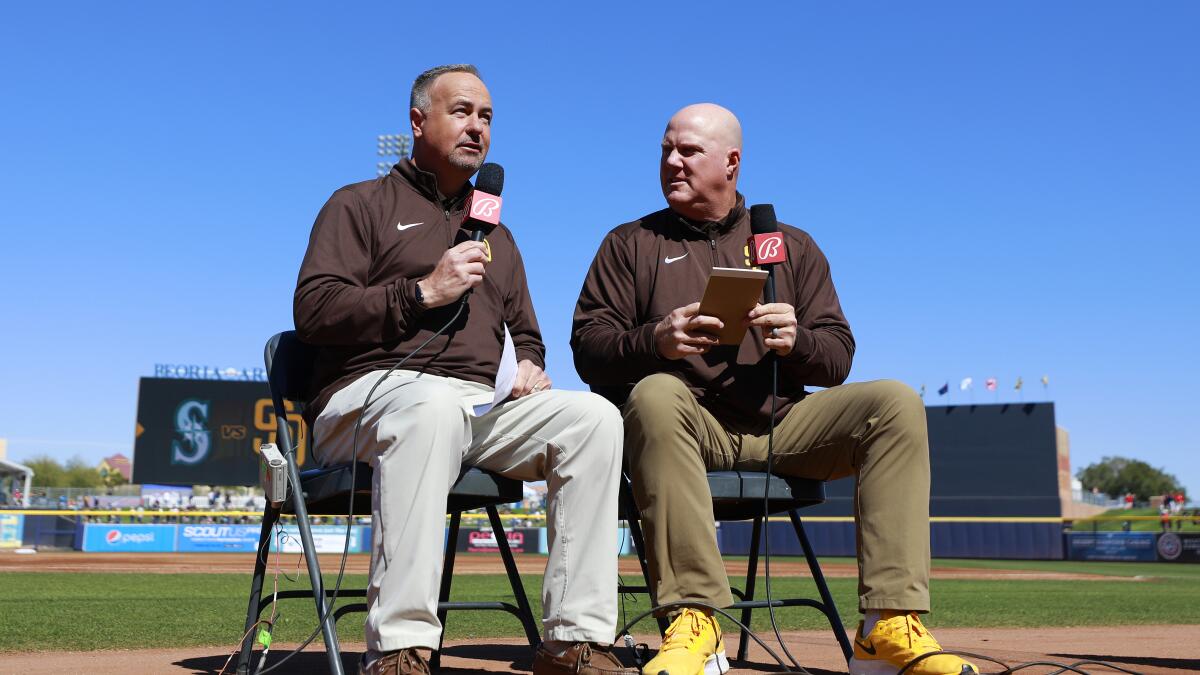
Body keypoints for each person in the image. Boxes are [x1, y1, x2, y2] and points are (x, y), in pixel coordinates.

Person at [571, 103, 977, 675]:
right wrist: (655, 340)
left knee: (895, 402)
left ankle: (885, 627)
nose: (672, 161)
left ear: (731, 163)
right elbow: (587, 347)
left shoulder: (790, 244)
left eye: (688, 150)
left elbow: (837, 356)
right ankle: (696, 623)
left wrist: (798, 341)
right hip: (685, 425)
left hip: (784, 426)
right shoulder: (629, 242)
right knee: (656, 392)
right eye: (666, 149)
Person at [294, 64, 634, 675]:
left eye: (486, 116)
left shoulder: (499, 234)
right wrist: (422, 292)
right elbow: (314, 310)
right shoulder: (358, 205)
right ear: (418, 121)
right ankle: (401, 649)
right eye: (461, 112)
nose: (476, 126)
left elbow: (527, 334)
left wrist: (530, 363)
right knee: (426, 411)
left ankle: (574, 640)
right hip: (370, 399)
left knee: (595, 418)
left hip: (477, 408)